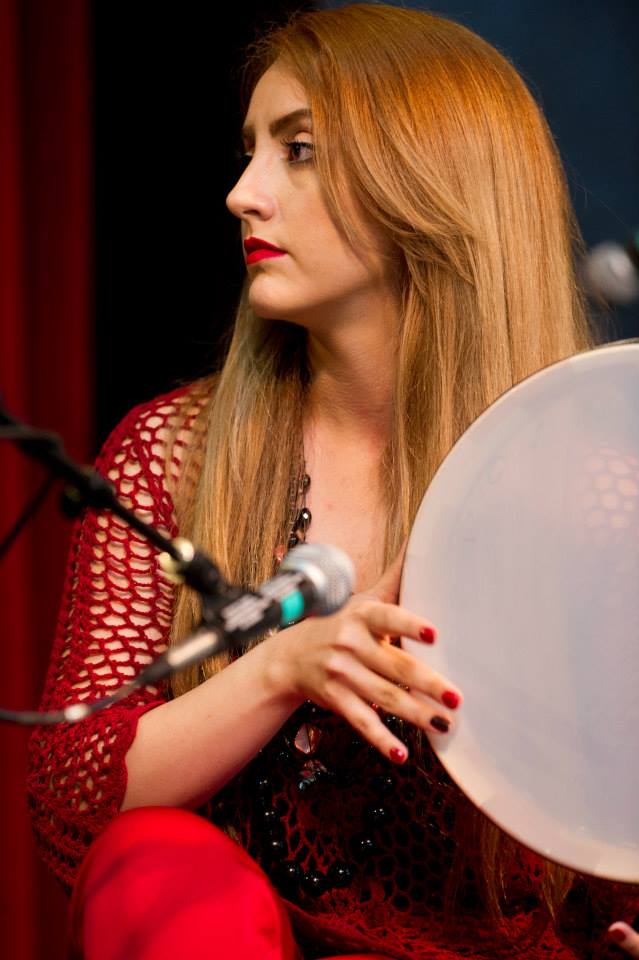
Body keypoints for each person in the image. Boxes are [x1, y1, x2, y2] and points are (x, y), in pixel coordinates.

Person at [27, 5, 638, 959]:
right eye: (250, 149)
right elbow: (74, 797)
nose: (241, 192)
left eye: (298, 150)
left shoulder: (594, 491)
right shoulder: (172, 448)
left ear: (430, 183)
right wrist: (283, 667)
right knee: (157, 857)